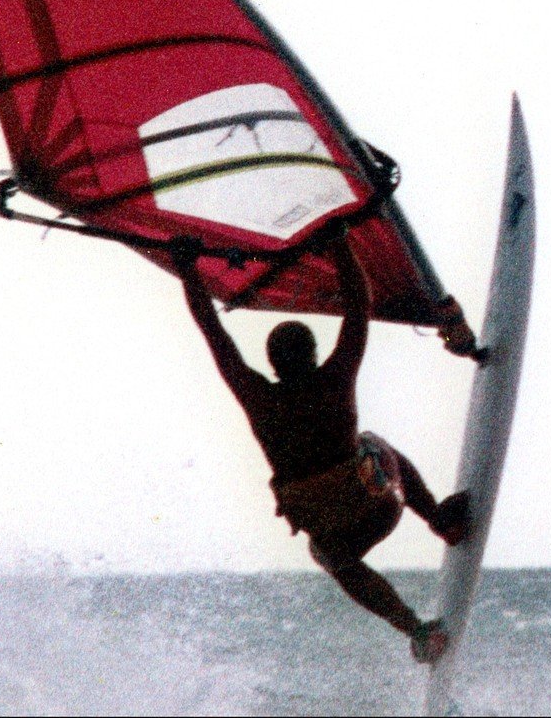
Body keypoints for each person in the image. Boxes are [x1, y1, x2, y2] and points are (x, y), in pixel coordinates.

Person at [173, 236, 480, 663]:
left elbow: (213, 331)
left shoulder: (258, 398)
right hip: (380, 505)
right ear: (314, 355)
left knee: (330, 556)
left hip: (339, 534)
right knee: (374, 443)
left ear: (272, 363)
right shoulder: (336, 378)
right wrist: (339, 244)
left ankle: (416, 629)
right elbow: (359, 304)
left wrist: (187, 269)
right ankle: (440, 521)